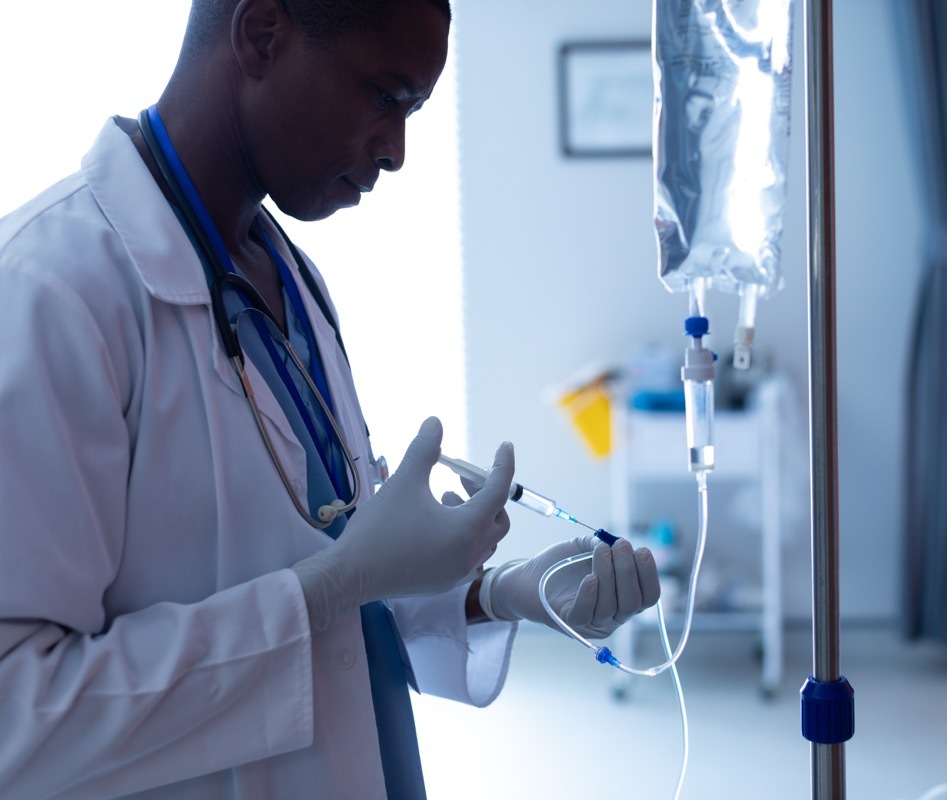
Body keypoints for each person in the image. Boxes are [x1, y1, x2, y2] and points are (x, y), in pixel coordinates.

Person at [0, 1, 660, 798]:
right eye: (385, 96)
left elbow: (340, 605)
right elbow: (18, 720)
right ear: (262, 35)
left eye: (414, 112)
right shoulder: (50, 294)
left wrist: (496, 594)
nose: (397, 152)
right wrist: (335, 583)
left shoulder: (291, 283)